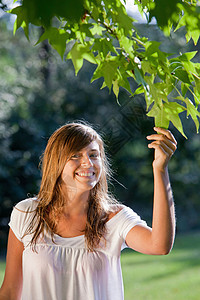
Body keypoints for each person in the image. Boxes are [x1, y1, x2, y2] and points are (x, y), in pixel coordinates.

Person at [0, 122, 177, 300]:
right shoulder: (26, 213)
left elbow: (159, 245)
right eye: (75, 155)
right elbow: (9, 292)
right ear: (56, 162)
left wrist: (160, 170)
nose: (88, 163)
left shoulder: (114, 219)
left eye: (94, 155)